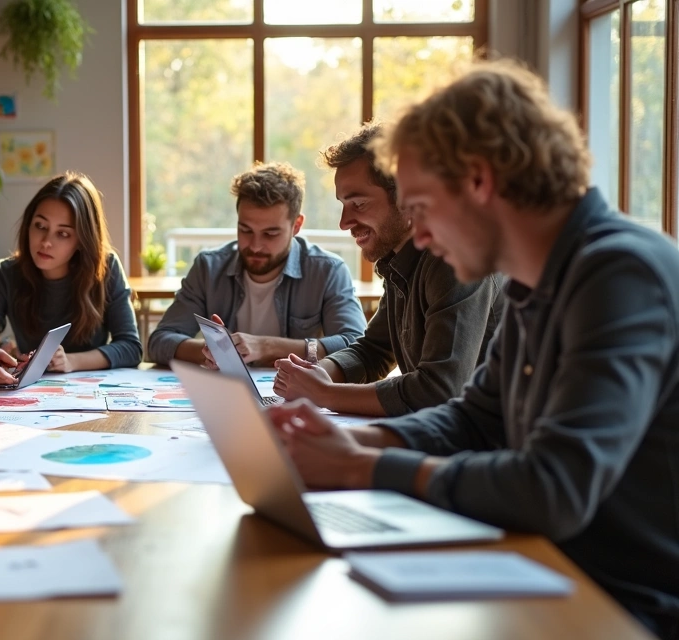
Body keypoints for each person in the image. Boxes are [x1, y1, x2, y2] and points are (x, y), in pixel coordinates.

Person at [266, 60, 679, 636]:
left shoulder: (620, 274)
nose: (422, 236)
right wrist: (337, 439)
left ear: (480, 182)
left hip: (620, 609)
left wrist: (364, 464)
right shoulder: (538, 280)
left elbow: (553, 487)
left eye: (424, 208)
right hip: (546, 572)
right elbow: (473, 420)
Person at [272, 123, 503, 416]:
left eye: (358, 203)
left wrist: (326, 394)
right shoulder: (401, 259)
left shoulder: (456, 257)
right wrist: (317, 374)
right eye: (343, 204)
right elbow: (374, 350)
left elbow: (439, 391)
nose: (344, 222)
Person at [146, 161, 366, 367]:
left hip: (294, 396)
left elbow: (356, 344)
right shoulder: (209, 268)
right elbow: (159, 341)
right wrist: (216, 352)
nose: (256, 246)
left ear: (296, 225)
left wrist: (266, 347)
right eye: (245, 230)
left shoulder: (327, 271)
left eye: (270, 233)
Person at [0, 172, 142, 382]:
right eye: (40, 226)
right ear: (28, 225)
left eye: (62, 234)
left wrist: (71, 362)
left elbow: (131, 347)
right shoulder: (5, 273)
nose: (45, 242)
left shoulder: (107, 268)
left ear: (82, 240)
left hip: (91, 391)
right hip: (29, 391)